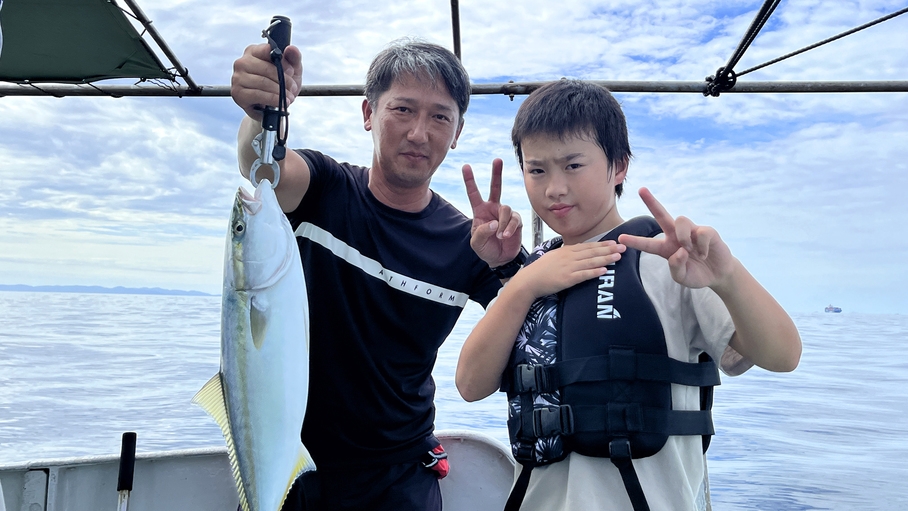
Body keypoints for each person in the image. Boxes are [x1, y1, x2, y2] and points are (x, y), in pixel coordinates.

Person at [456, 79, 802, 511]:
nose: (554, 188)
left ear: (618, 166)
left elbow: (783, 356)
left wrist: (727, 277)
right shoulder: (532, 274)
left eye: (573, 165)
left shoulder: (669, 260)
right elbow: (470, 385)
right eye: (537, 169)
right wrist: (521, 281)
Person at [230, 38, 524, 511]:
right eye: (403, 110)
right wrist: (264, 111)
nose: (419, 133)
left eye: (440, 117)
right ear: (368, 113)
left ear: (458, 132)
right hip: (290, 465)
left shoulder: (468, 242)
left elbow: (539, 327)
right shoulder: (325, 188)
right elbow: (262, 167)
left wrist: (507, 263)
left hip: (401, 478)